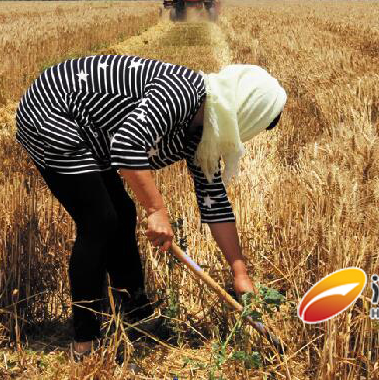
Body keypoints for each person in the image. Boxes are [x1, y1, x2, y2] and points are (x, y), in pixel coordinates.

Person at [15, 54, 286, 358]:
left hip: (95, 131)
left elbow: (214, 201)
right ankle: (85, 344)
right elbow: (126, 144)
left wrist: (239, 271)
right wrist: (156, 210)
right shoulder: (184, 93)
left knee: (123, 213)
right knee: (100, 221)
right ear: (242, 112)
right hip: (52, 112)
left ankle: (133, 313)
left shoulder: (207, 131)